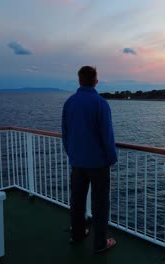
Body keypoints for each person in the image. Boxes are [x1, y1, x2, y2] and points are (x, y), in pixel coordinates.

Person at [62, 66, 118, 253]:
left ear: (79, 80)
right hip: (98, 163)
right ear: (95, 80)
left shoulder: (70, 103)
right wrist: (111, 158)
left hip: (77, 162)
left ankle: (77, 234)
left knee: (77, 200)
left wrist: (72, 153)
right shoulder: (100, 103)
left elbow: (65, 133)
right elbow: (107, 136)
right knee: (100, 203)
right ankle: (100, 243)